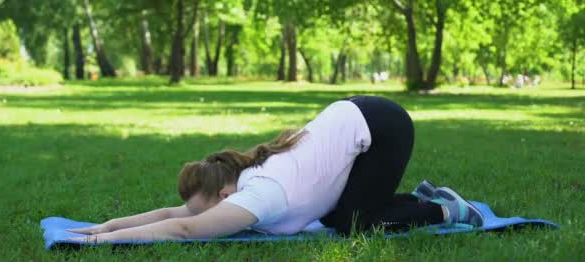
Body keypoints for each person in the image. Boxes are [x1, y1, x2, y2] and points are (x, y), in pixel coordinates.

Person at [69, 96, 483, 242]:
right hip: (359, 117)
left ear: (225, 196)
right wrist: (105, 226)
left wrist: (103, 245)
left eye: (206, 208)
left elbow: (184, 229)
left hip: (382, 126)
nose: (202, 215)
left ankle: (445, 209)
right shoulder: (239, 183)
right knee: (339, 216)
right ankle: (417, 198)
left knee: (353, 223)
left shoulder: (260, 194)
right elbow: (171, 215)